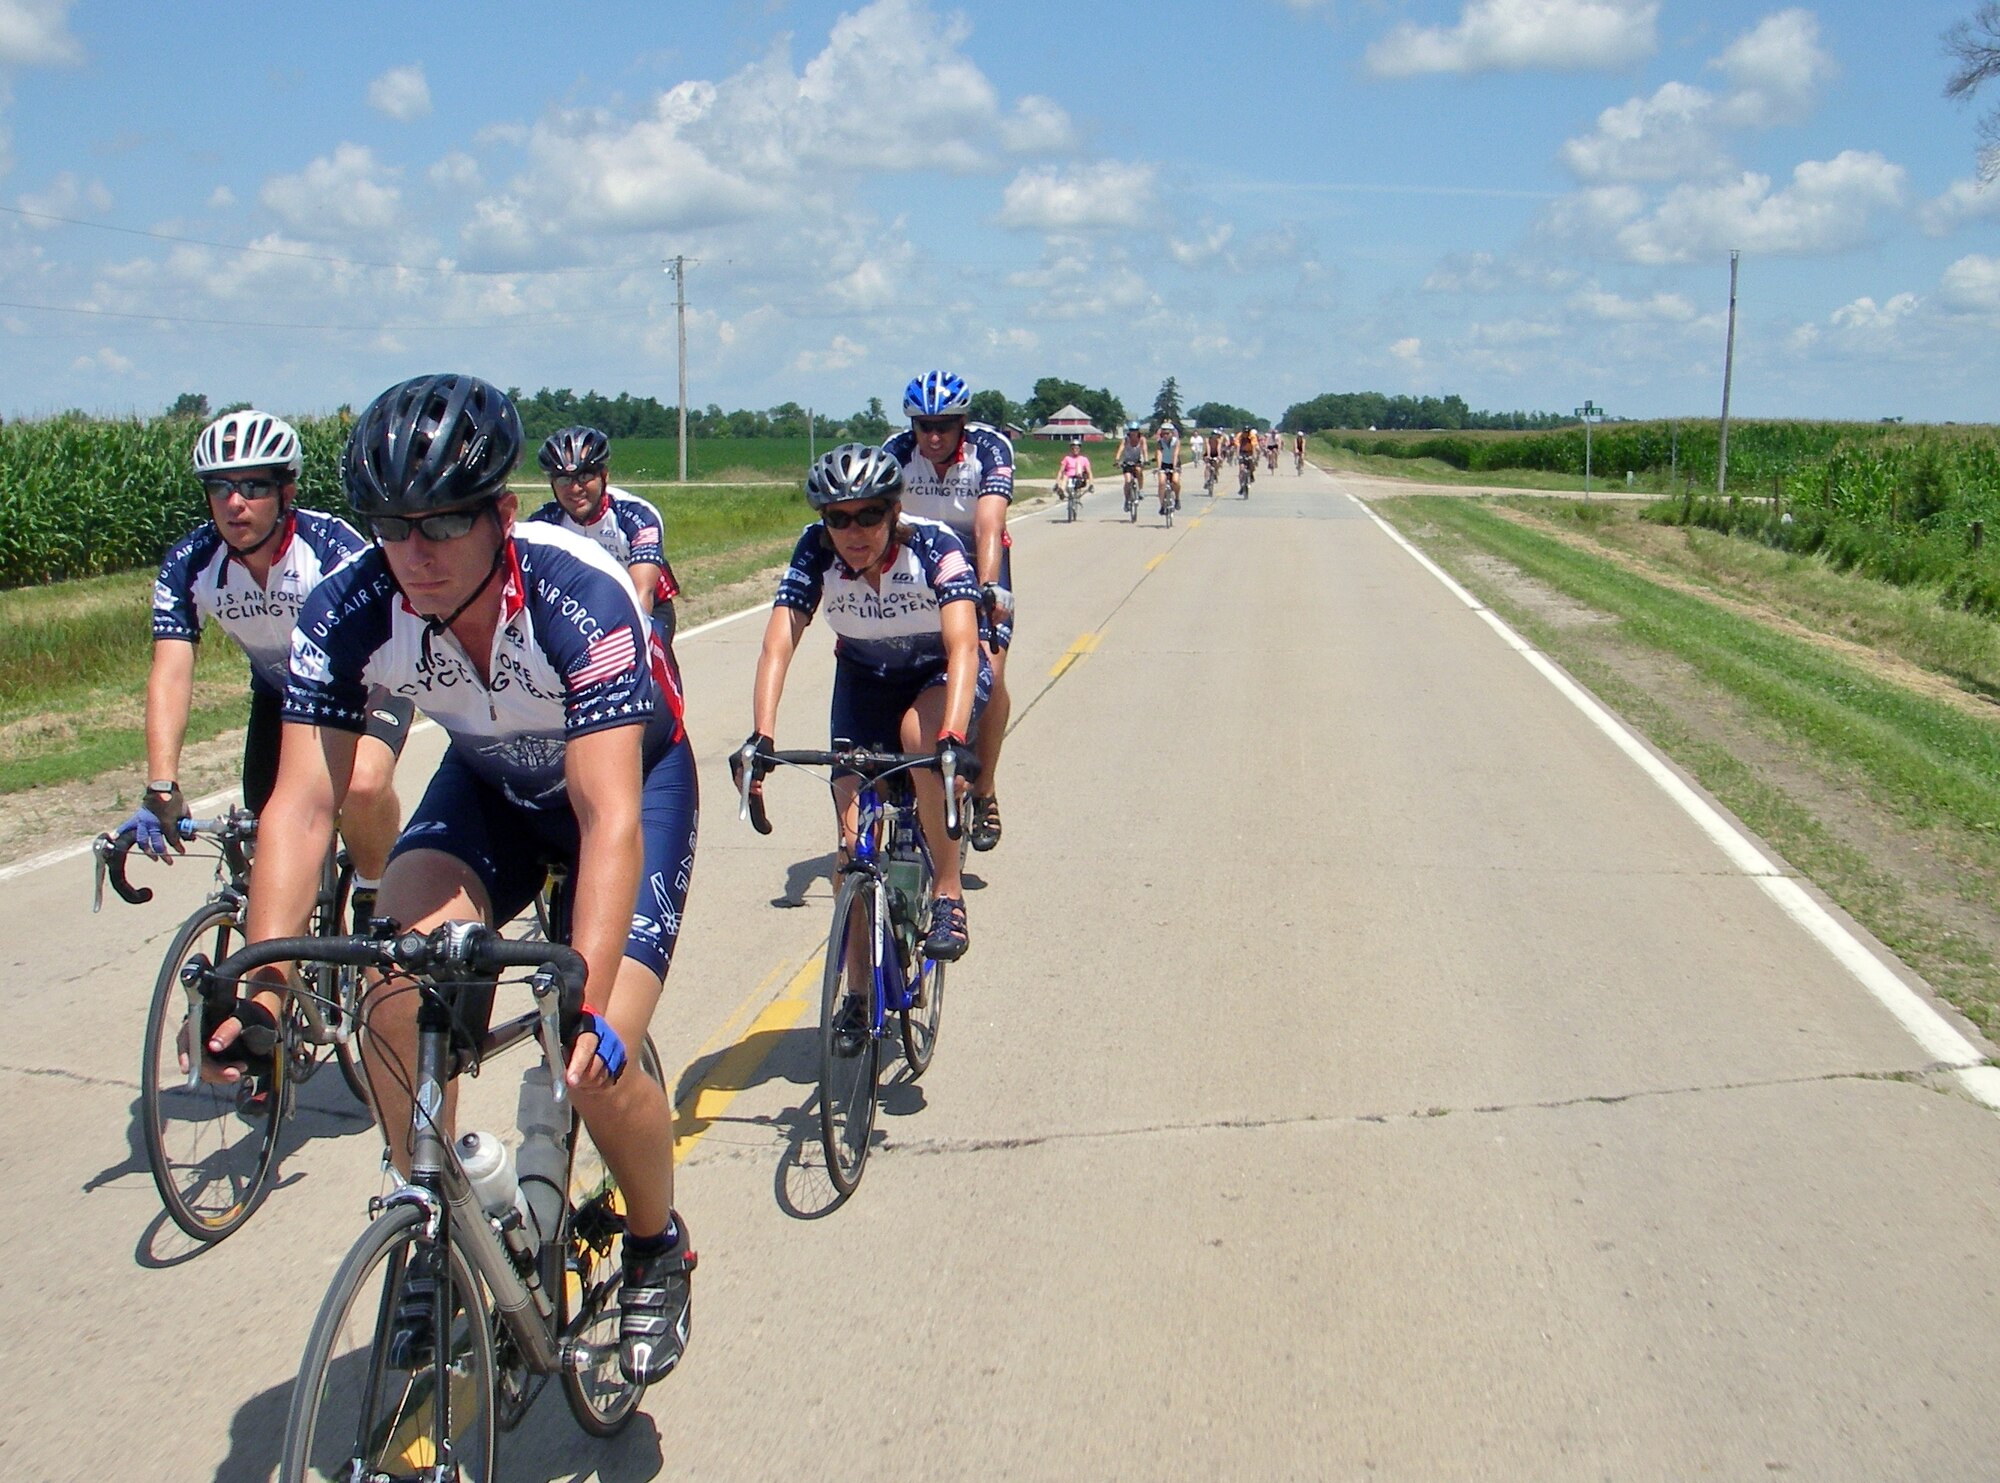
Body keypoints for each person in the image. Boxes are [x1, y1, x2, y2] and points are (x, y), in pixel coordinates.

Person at [200, 374, 699, 1386]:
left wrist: (583, 986)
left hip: (627, 785)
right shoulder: (351, 606)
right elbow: (302, 804)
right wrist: (259, 986)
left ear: (501, 515)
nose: (411, 555)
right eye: (390, 526)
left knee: (590, 1048)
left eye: (438, 527)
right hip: (485, 785)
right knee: (389, 984)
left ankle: (657, 1243)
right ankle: (429, 1203)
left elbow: (604, 818)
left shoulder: (575, 591)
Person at [128, 409, 412, 928]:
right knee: (272, 845)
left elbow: (387, 638)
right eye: (220, 488)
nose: (235, 503)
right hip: (282, 698)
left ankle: (377, 891)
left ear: (286, 493)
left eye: (255, 485)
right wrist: (162, 784)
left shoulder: (332, 550)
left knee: (363, 785)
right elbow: (171, 670)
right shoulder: (190, 563)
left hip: (372, 687)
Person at [738, 443, 987, 963]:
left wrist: (953, 738)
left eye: (869, 515)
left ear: (894, 511)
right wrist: (761, 735)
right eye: (839, 518)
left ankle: (946, 892)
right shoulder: (816, 548)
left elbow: (964, 645)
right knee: (850, 846)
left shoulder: (934, 546)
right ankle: (854, 990)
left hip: (940, 671)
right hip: (866, 677)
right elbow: (778, 641)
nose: (854, 532)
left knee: (922, 741)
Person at [880, 371, 1012, 853]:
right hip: (919, 566)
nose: (933, 437)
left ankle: (986, 786)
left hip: (979, 562)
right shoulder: (895, 452)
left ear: (963, 423)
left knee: (988, 672)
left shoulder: (990, 450)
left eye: (945, 426)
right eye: (923, 426)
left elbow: (988, 524)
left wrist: (990, 588)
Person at [527, 424, 686, 691]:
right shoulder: (544, 523)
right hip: (582, 611)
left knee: (646, 673)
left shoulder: (636, 515)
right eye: (564, 480)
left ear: (604, 475)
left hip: (646, 606)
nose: (575, 488)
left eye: (584, 476)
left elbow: (642, 593)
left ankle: (666, 726)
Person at [1117, 422, 1147, 507]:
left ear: (1138, 431)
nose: (1133, 432)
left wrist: (1146, 459)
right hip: (1127, 461)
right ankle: (1127, 499)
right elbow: (1121, 449)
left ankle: (1140, 489)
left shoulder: (1142, 439)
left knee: (1138, 470)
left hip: (1137, 460)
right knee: (1127, 481)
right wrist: (1117, 460)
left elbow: (1144, 449)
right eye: (1131, 430)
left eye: (1135, 430)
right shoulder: (1126, 439)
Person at [1153, 420, 1182, 512]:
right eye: (1163, 433)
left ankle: (1177, 498)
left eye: (1167, 433)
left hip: (1174, 463)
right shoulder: (1160, 442)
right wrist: (1158, 467)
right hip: (1164, 464)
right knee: (1161, 483)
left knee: (1175, 481)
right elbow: (1159, 454)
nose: (1165, 435)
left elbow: (1175, 454)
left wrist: (1174, 468)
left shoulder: (1176, 442)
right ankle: (1162, 505)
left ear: (1172, 433)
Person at [1054, 437, 1093, 504]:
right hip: (1069, 476)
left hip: (1080, 477)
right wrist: (1057, 483)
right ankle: (1061, 491)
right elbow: (1061, 471)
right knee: (1065, 476)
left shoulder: (1084, 459)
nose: (1075, 450)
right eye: (1073, 448)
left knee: (1078, 464)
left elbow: (1089, 472)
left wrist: (1091, 484)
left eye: (1077, 448)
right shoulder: (1067, 458)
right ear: (1071, 449)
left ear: (1079, 449)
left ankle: (1078, 483)